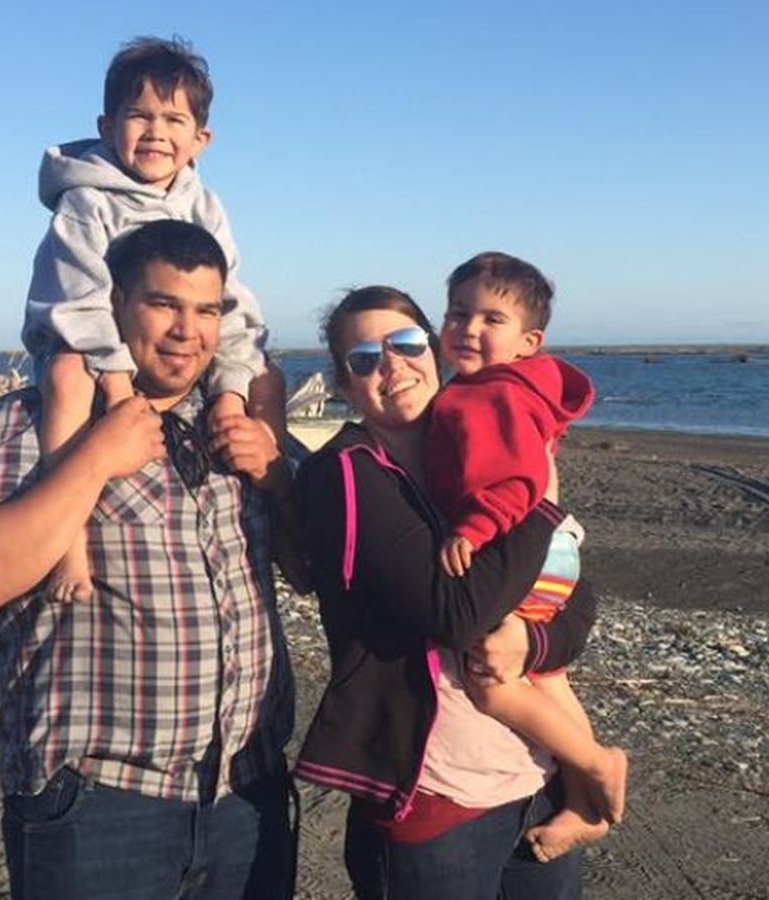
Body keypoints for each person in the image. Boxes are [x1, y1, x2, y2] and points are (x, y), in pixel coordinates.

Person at [0, 221, 295, 900]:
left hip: (246, 793)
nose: (187, 331)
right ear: (115, 305)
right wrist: (97, 456)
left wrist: (278, 474)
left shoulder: (233, 424)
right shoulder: (33, 420)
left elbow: (313, 568)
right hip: (100, 800)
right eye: (163, 304)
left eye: (207, 311)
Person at [292, 286, 599, 900]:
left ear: (433, 351)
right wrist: (542, 502)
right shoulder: (345, 474)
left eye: (406, 343)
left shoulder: (474, 445)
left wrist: (531, 642)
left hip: (533, 782)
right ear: (345, 384)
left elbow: (577, 596)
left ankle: (590, 772)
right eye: (364, 358)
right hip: (435, 803)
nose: (392, 365)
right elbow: (455, 613)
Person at [21, 36, 275, 604]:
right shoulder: (85, 202)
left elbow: (228, 298)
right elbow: (80, 300)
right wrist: (118, 391)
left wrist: (231, 393)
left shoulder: (205, 206)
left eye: (174, 119)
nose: (156, 132)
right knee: (65, 377)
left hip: (165, 346)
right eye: (140, 116)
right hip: (82, 342)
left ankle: (277, 507)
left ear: (201, 140)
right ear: (108, 126)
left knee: (267, 376)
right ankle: (69, 541)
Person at [427, 251, 627, 861]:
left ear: (528, 342)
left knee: (493, 683)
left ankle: (596, 763)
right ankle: (585, 803)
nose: (469, 329)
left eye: (492, 319)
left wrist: (474, 528)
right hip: (554, 546)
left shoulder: (491, 396)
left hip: (525, 547)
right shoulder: (507, 389)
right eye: (458, 314)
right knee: (545, 676)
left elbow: (518, 479)